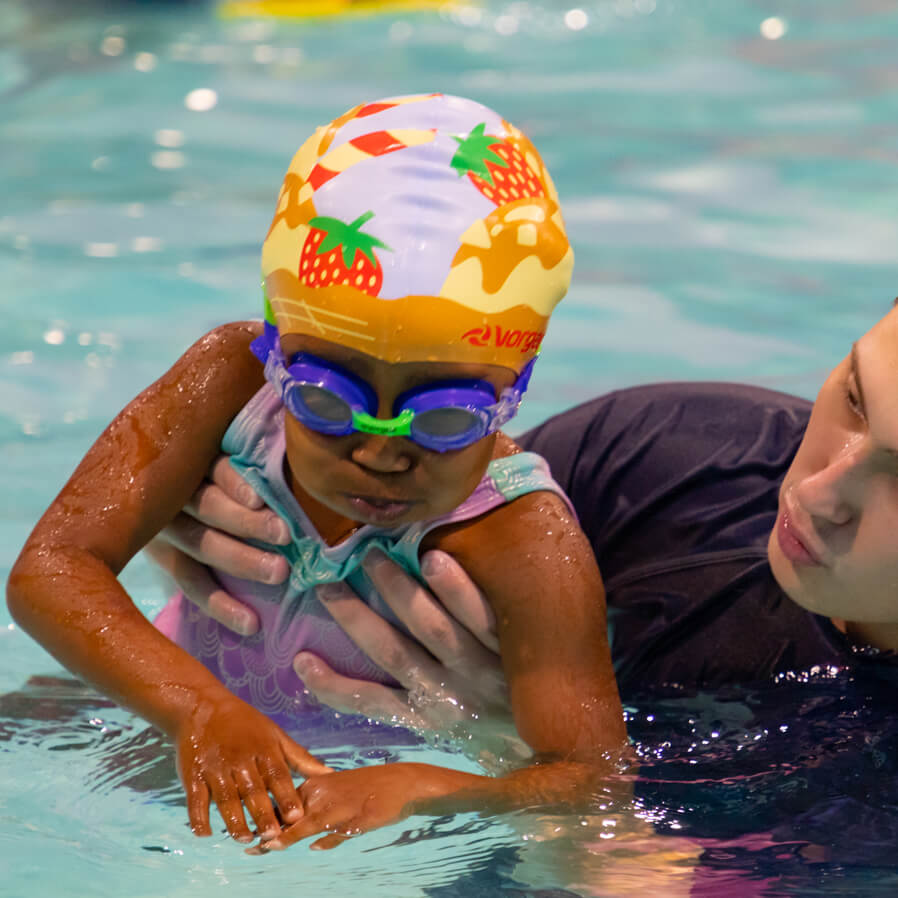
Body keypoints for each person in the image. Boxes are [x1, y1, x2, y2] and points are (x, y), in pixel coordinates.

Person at [6, 93, 628, 853]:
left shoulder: (521, 535)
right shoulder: (230, 382)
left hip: (352, 811)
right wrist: (197, 712)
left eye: (443, 416)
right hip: (148, 724)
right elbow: (55, 567)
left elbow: (591, 779)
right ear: (276, 353)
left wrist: (432, 788)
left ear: (512, 391)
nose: (381, 454)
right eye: (329, 401)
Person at [155, 302, 898, 731]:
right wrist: (251, 505)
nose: (821, 492)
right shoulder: (669, 460)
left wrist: (516, 753)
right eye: (856, 398)